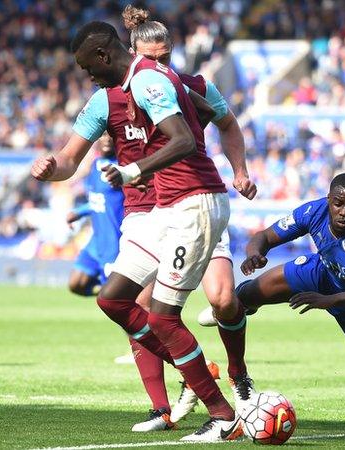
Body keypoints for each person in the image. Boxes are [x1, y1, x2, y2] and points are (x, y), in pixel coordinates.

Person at [31, 21, 241, 442]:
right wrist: (54, 169)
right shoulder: (104, 99)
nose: (87, 74)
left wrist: (132, 170)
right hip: (162, 208)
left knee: (165, 315)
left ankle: (223, 415)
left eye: (87, 65)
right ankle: (195, 371)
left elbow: (183, 140)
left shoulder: (148, 79)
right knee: (114, 299)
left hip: (195, 203)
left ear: (104, 57)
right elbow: (71, 158)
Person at [119, 5, 256, 433]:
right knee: (138, 307)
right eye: (151, 58)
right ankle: (188, 381)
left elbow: (228, 124)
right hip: (162, 213)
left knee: (222, 300)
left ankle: (238, 376)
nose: (159, 64)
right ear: (133, 53)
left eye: (166, 57)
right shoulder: (124, 91)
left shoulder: (194, 85)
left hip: (198, 206)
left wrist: (240, 171)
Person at [235, 173, 345, 366]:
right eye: (338, 204)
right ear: (329, 199)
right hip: (325, 272)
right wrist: (254, 253)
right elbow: (265, 236)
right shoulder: (313, 210)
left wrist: (330, 300)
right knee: (248, 294)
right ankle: (228, 310)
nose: (344, 212)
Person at [67, 136, 124, 296]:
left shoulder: (122, 168)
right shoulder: (95, 165)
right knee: (76, 284)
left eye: (111, 135)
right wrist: (79, 212)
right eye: (103, 135)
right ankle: (105, 291)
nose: (107, 139)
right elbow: (98, 200)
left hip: (114, 241)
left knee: (112, 298)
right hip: (96, 240)